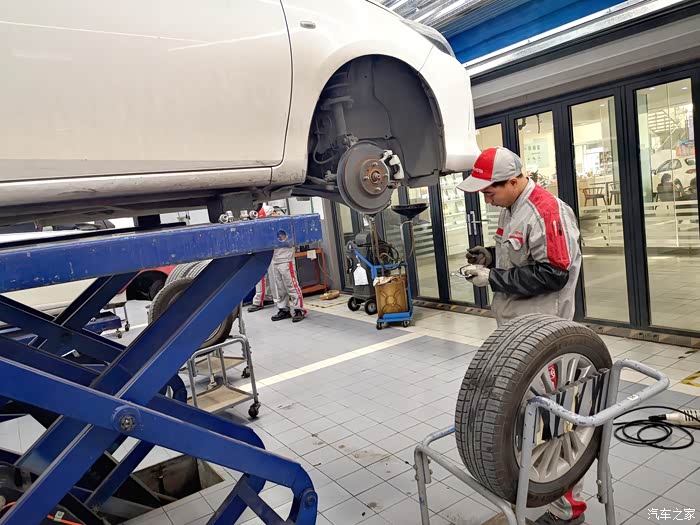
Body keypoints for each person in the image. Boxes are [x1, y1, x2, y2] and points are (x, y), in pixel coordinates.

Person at [457, 147, 585, 525]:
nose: (486, 198)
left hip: (545, 338)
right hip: (518, 337)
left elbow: (555, 273)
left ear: (513, 181)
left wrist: (492, 278)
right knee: (529, 418)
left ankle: (568, 510)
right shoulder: (510, 207)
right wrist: (489, 257)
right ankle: (534, 490)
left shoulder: (547, 211)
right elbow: (521, 256)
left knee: (557, 421)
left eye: (489, 191)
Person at [268, 209, 307, 323]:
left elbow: (288, 239)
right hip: (275, 260)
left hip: (286, 260)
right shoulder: (270, 227)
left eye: (271, 214)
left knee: (292, 285)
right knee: (280, 287)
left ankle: (299, 309)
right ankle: (284, 309)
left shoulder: (286, 224)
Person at [248, 204, 278, 313]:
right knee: (265, 274)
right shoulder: (262, 211)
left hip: (264, 247)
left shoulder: (264, 211)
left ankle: (258, 301)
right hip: (266, 247)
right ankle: (267, 297)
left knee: (260, 275)